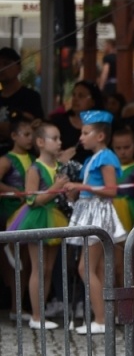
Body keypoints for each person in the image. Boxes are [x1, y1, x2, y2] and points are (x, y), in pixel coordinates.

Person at [63, 110, 123, 335]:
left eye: (85, 132)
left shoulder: (107, 157)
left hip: (98, 213)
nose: (81, 137)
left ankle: (101, 319)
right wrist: (74, 194)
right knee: (97, 268)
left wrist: (82, 188)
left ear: (99, 136)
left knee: (85, 268)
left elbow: (111, 190)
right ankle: (105, 317)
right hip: (89, 210)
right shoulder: (91, 159)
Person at [11, 122, 69, 329]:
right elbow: (32, 200)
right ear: (41, 142)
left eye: (59, 138)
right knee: (38, 267)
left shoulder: (59, 166)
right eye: (55, 138)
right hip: (37, 218)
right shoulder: (34, 169)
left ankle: (41, 312)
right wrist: (57, 187)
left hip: (55, 216)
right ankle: (36, 316)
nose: (59, 142)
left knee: (49, 268)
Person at [0, 47, 45, 127]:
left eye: (6, 63)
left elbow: (38, 126)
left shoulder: (31, 97)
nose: (1, 68)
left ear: (19, 68)